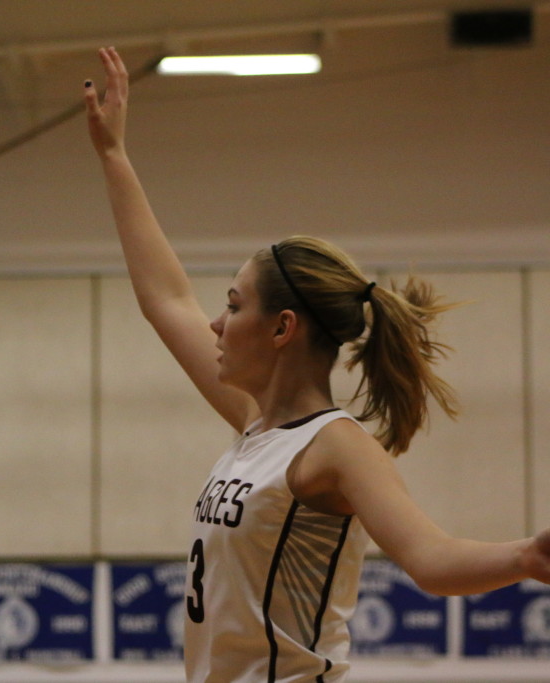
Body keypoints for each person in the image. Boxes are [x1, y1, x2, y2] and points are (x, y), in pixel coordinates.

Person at [83, 46, 550, 683]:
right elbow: (165, 299)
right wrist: (114, 157)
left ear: (282, 328)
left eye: (233, 305)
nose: (216, 324)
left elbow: (430, 559)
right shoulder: (256, 427)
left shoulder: (334, 448)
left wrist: (527, 555)